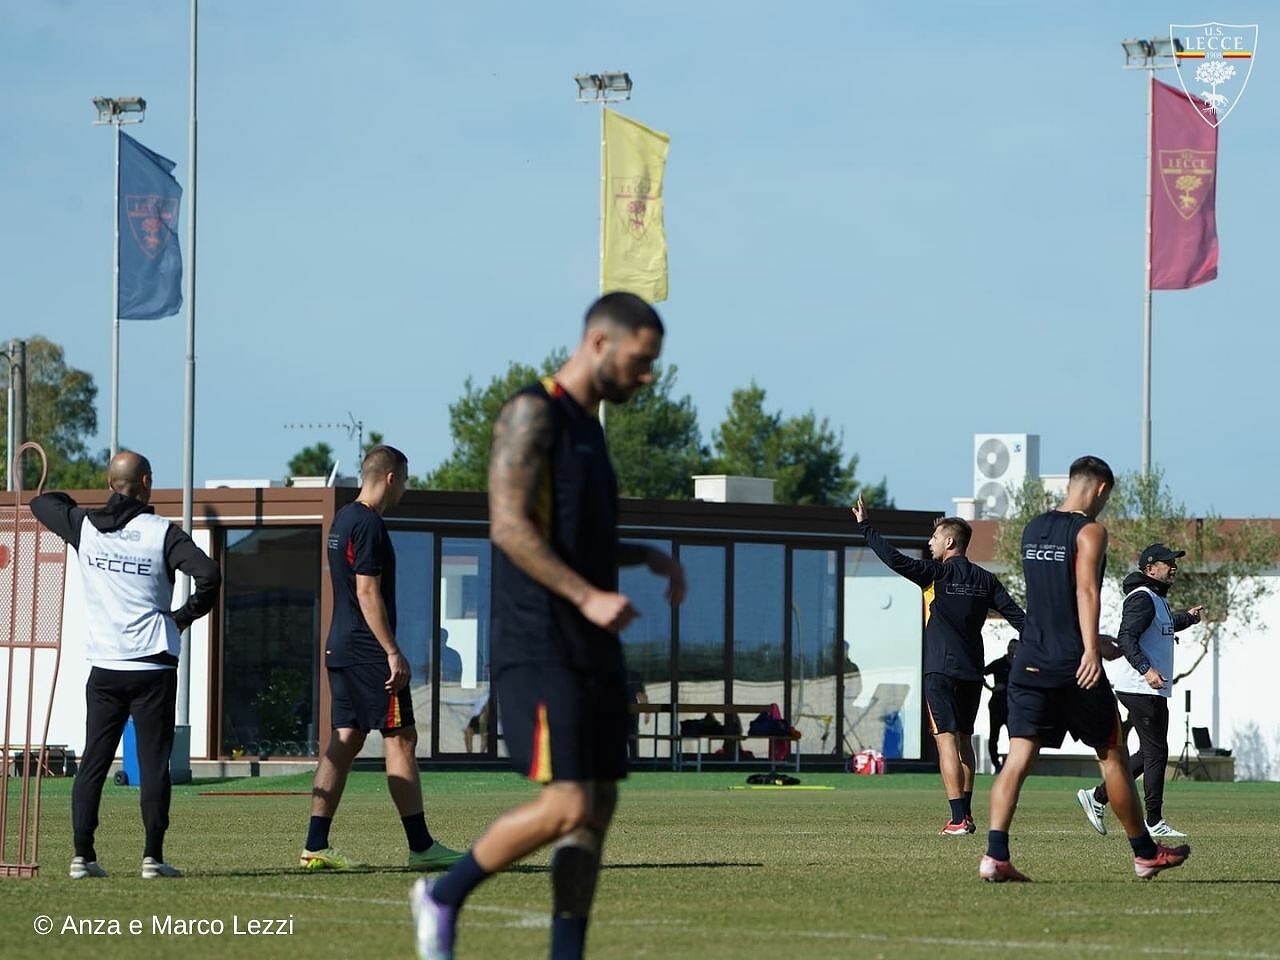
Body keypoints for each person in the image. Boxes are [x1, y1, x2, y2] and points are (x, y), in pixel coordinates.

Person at [411, 292, 686, 960]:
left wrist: (640, 556)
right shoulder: (532, 412)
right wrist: (588, 596)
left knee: (595, 815)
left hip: (593, 646)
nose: (647, 376)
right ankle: (443, 895)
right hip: (538, 642)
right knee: (565, 806)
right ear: (599, 342)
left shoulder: (591, 429)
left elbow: (573, 535)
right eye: (641, 361)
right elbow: (508, 527)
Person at [980, 456, 1190, 882]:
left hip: (1030, 660)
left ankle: (995, 855)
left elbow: (1051, 596)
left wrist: (1099, 644)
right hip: (1074, 664)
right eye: (1107, 497)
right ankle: (1144, 853)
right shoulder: (1091, 531)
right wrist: (1091, 650)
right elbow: (1085, 590)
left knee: (1018, 757)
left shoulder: (1032, 528)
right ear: (1098, 489)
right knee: (1112, 754)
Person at [31, 450, 221, 879]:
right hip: (152, 665)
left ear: (111, 483)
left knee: (94, 762)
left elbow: (42, 503)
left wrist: (95, 497)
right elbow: (209, 574)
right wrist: (183, 617)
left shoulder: (84, 526)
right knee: (154, 765)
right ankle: (152, 858)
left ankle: (83, 858)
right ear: (148, 482)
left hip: (105, 666)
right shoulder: (161, 532)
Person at [301, 444, 463, 871]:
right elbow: (366, 591)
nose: (405, 490)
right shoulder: (369, 524)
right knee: (401, 738)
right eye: (405, 481)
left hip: (340, 647)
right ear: (391, 477)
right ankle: (422, 845)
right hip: (369, 653)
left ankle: (315, 844)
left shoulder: (343, 519)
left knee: (347, 738)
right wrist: (392, 651)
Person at [851, 496, 1024, 836]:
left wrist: (865, 528)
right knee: (964, 743)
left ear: (949, 542)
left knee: (945, 743)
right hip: (972, 673)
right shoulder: (986, 579)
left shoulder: (936, 574)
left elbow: (894, 559)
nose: (929, 544)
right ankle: (967, 815)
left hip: (941, 672)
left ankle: (958, 819)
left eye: (933, 539)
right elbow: (1020, 618)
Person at [1075, 543, 1204, 839]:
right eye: (1167, 562)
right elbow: (1126, 638)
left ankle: (1097, 797)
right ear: (1149, 569)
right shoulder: (1142, 599)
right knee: (1157, 752)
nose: (1173, 566)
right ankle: (1154, 820)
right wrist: (1146, 670)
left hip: (1149, 689)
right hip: (1140, 687)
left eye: (1174, 562)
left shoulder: (1157, 599)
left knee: (1149, 752)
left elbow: (1165, 625)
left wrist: (1189, 618)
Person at [983, 639, 1017, 773]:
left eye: (1015, 648)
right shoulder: (999, 663)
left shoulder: (1020, 665)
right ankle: (996, 764)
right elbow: (981, 673)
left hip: (1013, 706)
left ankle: (1011, 764)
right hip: (997, 704)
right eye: (1011, 647)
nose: (1012, 650)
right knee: (994, 736)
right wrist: (991, 688)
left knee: (1015, 737)